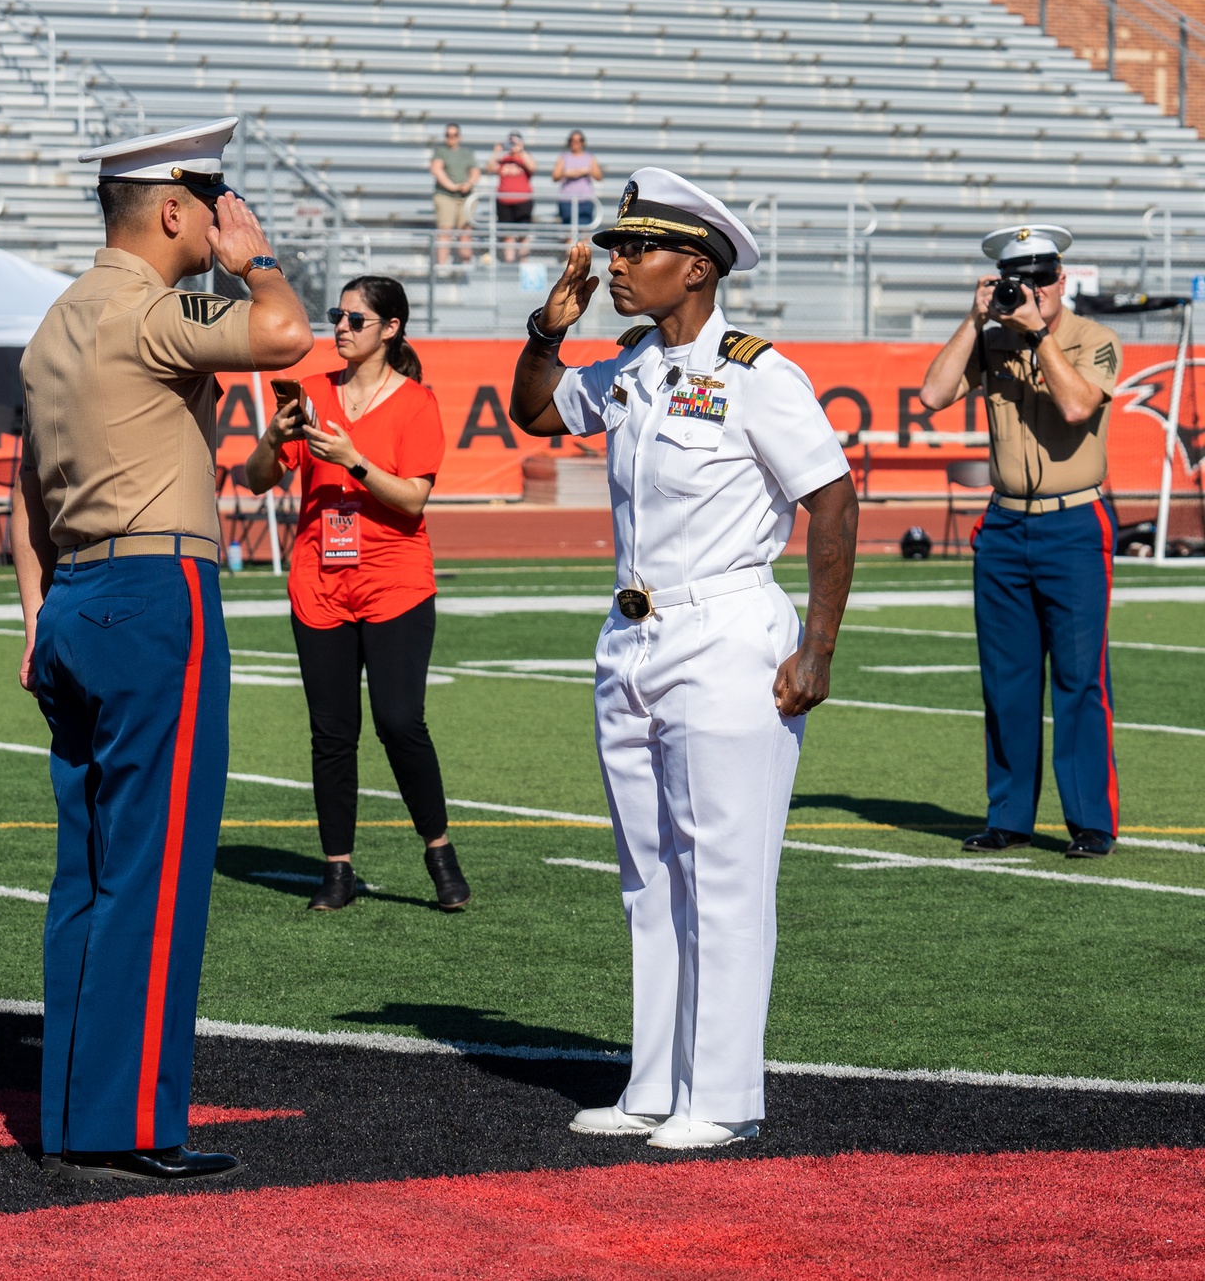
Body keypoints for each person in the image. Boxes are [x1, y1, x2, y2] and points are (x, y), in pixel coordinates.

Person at [508, 168, 858, 1151]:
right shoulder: (628, 368)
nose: (615, 264)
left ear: (695, 268)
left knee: (724, 869)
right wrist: (547, 331)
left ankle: (726, 1094)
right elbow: (536, 414)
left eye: (635, 251)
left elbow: (829, 502)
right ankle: (654, 1082)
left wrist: (817, 646)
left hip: (725, 635)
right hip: (631, 637)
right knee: (646, 870)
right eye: (615, 248)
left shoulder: (756, 373)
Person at [10, 116, 313, 1181]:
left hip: (75, 598)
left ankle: (74, 1109)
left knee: (88, 872)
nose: (219, 219)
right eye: (211, 204)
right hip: (153, 591)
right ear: (176, 210)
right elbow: (285, 333)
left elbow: (24, 489)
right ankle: (132, 1123)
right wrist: (257, 260)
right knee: (155, 868)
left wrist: (31, 612)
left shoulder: (53, 321)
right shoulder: (152, 307)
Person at [245, 274, 467, 912]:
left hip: (395, 583)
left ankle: (438, 849)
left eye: (355, 319)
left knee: (400, 722)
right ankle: (337, 868)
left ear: (391, 329)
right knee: (332, 732)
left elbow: (413, 499)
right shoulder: (312, 392)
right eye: (336, 316)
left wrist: (352, 460)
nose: (340, 327)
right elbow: (255, 479)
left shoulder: (416, 403)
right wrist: (274, 440)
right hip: (319, 583)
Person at [916, 224, 1123, 858]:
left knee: (1081, 679)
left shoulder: (1096, 339)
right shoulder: (992, 336)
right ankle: (1008, 816)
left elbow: (1076, 407)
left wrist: (1038, 335)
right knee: (1006, 678)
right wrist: (973, 321)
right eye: (1018, 282)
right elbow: (931, 395)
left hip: (1075, 522)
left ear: (1063, 281)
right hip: (1004, 522)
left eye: (1041, 281)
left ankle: (1092, 822)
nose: (1030, 292)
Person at [429, 121, 479, 269]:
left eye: (454, 135)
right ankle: (442, 266)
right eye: (448, 135)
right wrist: (453, 186)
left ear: (459, 136)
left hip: (465, 196)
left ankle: (465, 264)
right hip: (446, 196)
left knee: (466, 232)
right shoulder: (440, 152)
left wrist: (468, 184)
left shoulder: (467, 153)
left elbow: (475, 172)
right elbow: (436, 169)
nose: (451, 138)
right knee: (445, 231)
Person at [487, 133, 538, 263]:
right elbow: (489, 168)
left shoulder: (525, 157)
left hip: (523, 201)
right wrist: (496, 152)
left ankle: (523, 263)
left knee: (523, 235)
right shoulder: (503, 158)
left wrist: (520, 150)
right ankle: (509, 262)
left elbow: (533, 167)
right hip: (504, 201)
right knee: (508, 235)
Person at [553, 130, 603, 237]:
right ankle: (570, 253)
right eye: (573, 140)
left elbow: (599, 176)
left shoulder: (589, 158)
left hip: (585, 200)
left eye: (578, 140)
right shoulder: (564, 157)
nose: (576, 143)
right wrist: (566, 173)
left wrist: (587, 171)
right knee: (569, 233)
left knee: (585, 232)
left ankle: (584, 253)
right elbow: (555, 176)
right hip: (567, 200)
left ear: (583, 142)